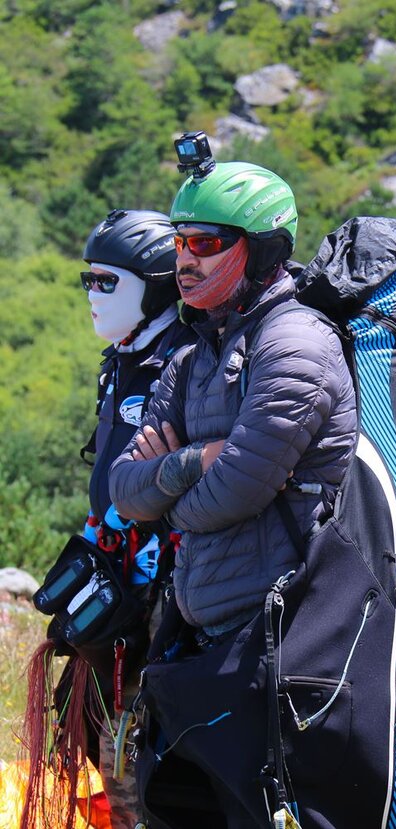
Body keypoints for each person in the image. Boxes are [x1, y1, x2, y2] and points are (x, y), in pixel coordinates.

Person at [107, 152, 357, 823]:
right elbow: (124, 492)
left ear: (265, 249)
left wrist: (170, 500)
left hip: (284, 645)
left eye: (207, 244)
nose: (184, 260)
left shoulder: (297, 343)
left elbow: (239, 490)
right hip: (205, 640)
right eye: (179, 243)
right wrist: (189, 463)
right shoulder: (190, 359)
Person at [22, 210, 195, 829]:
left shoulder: (189, 362)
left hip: (165, 585)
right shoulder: (122, 358)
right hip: (113, 566)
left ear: (153, 286)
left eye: (108, 282)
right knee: (94, 717)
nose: (93, 295)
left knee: (134, 733)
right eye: (87, 280)